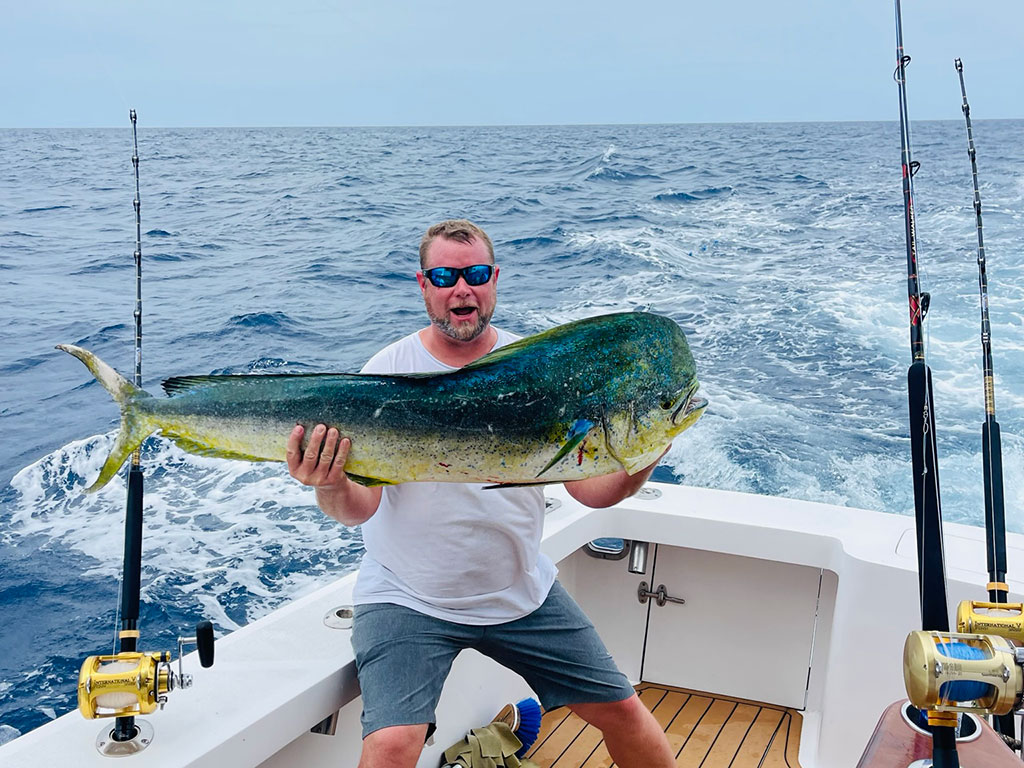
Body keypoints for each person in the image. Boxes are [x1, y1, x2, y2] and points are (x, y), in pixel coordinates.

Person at [286, 219, 676, 768]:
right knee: (393, 746)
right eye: (444, 275)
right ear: (424, 286)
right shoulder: (388, 372)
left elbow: (592, 494)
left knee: (625, 713)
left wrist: (639, 458)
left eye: (473, 274)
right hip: (407, 596)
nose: (460, 289)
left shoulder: (540, 371)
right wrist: (329, 483)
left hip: (518, 593)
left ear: (494, 279)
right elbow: (360, 509)